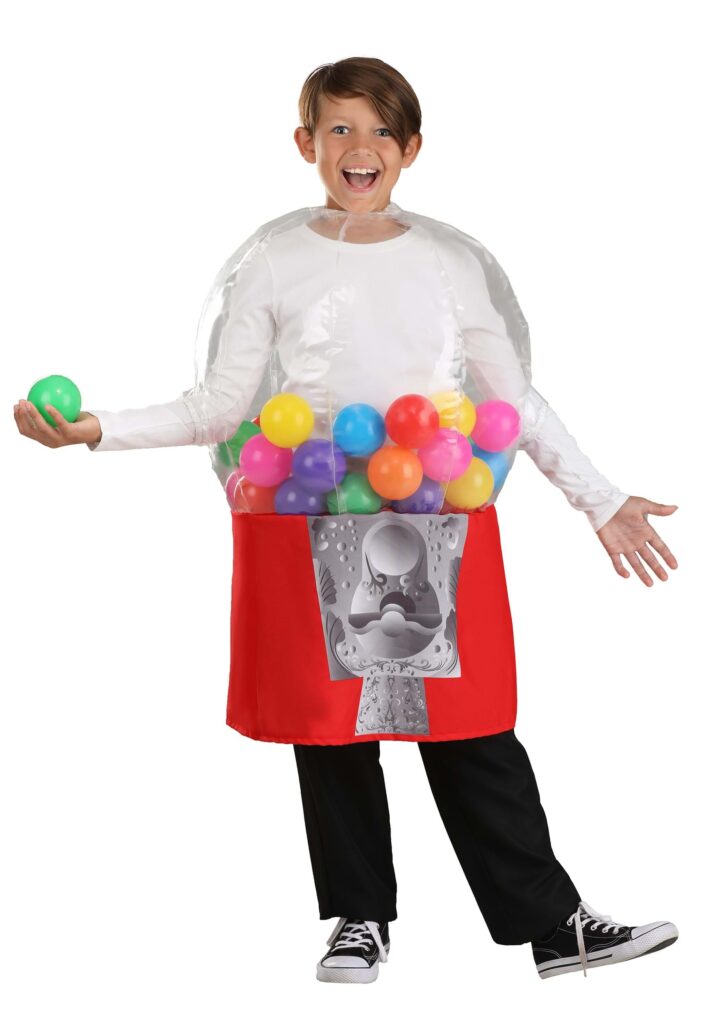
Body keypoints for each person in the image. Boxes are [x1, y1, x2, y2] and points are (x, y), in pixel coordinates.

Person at [13, 57, 680, 983]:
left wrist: (598, 499)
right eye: (338, 128)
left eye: (378, 131)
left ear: (410, 148)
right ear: (306, 143)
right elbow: (219, 407)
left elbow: (513, 402)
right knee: (331, 730)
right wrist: (97, 430)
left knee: (467, 724)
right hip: (308, 506)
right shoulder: (276, 260)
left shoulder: (447, 263)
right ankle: (358, 918)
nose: (358, 147)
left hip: (433, 512)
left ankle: (550, 924)